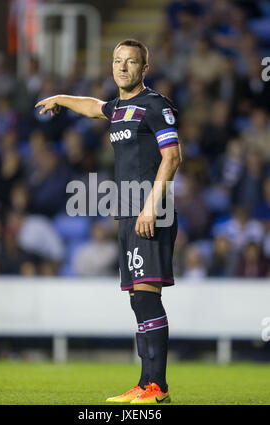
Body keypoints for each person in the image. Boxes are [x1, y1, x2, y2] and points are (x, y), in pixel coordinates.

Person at [35, 39, 182, 404]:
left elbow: (173, 157)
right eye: (117, 61)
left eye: (131, 62)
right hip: (128, 213)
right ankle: (146, 382)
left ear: (144, 68)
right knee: (137, 299)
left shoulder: (155, 106)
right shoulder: (118, 108)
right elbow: (93, 107)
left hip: (151, 211)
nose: (122, 67)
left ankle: (156, 386)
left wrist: (150, 207)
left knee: (147, 297)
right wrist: (60, 98)